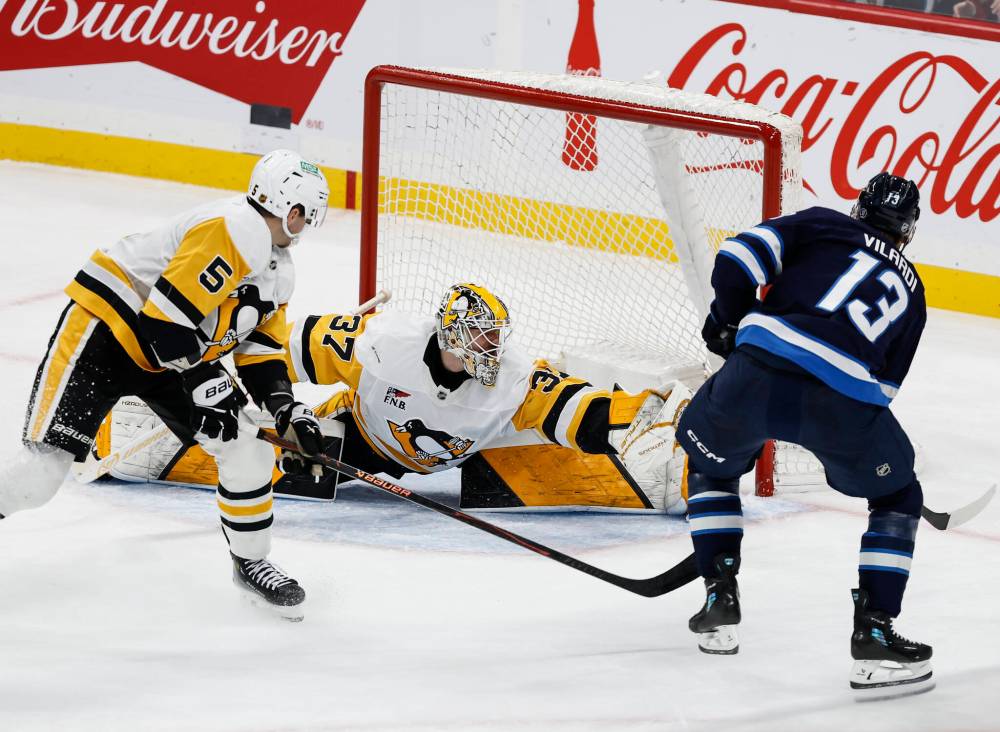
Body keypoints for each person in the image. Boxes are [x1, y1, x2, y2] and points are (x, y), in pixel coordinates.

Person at [2, 149, 330, 621]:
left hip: (170, 355)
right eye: (306, 216)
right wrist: (205, 386)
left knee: (248, 446)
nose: (305, 228)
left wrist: (286, 410)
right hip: (107, 333)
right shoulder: (236, 228)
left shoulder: (278, 269)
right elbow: (163, 323)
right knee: (40, 477)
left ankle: (251, 561)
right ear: (294, 211)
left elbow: (259, 350)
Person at [675, 173, 932, 696]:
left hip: (757, 373)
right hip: (844, 403)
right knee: (897, 493)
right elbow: (884, 388)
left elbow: (736, 258)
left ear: (859, 209)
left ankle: (719, 598)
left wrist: (728, 323)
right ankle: (875, 631)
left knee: (710, 463)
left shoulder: (823, 223)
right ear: (908, 231)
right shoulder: (913, 290)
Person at [276, 283, 690, 514]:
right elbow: (282, 348)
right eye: (483, 335)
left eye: (496, 336)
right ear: (452, 334)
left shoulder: (512, 376)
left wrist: (643, 419)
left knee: (571, 465)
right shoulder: (383, 344)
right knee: (260, 459)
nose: (494, 347)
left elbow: (576, 406)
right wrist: (264, 399)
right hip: (366, 437)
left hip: (470, 453)